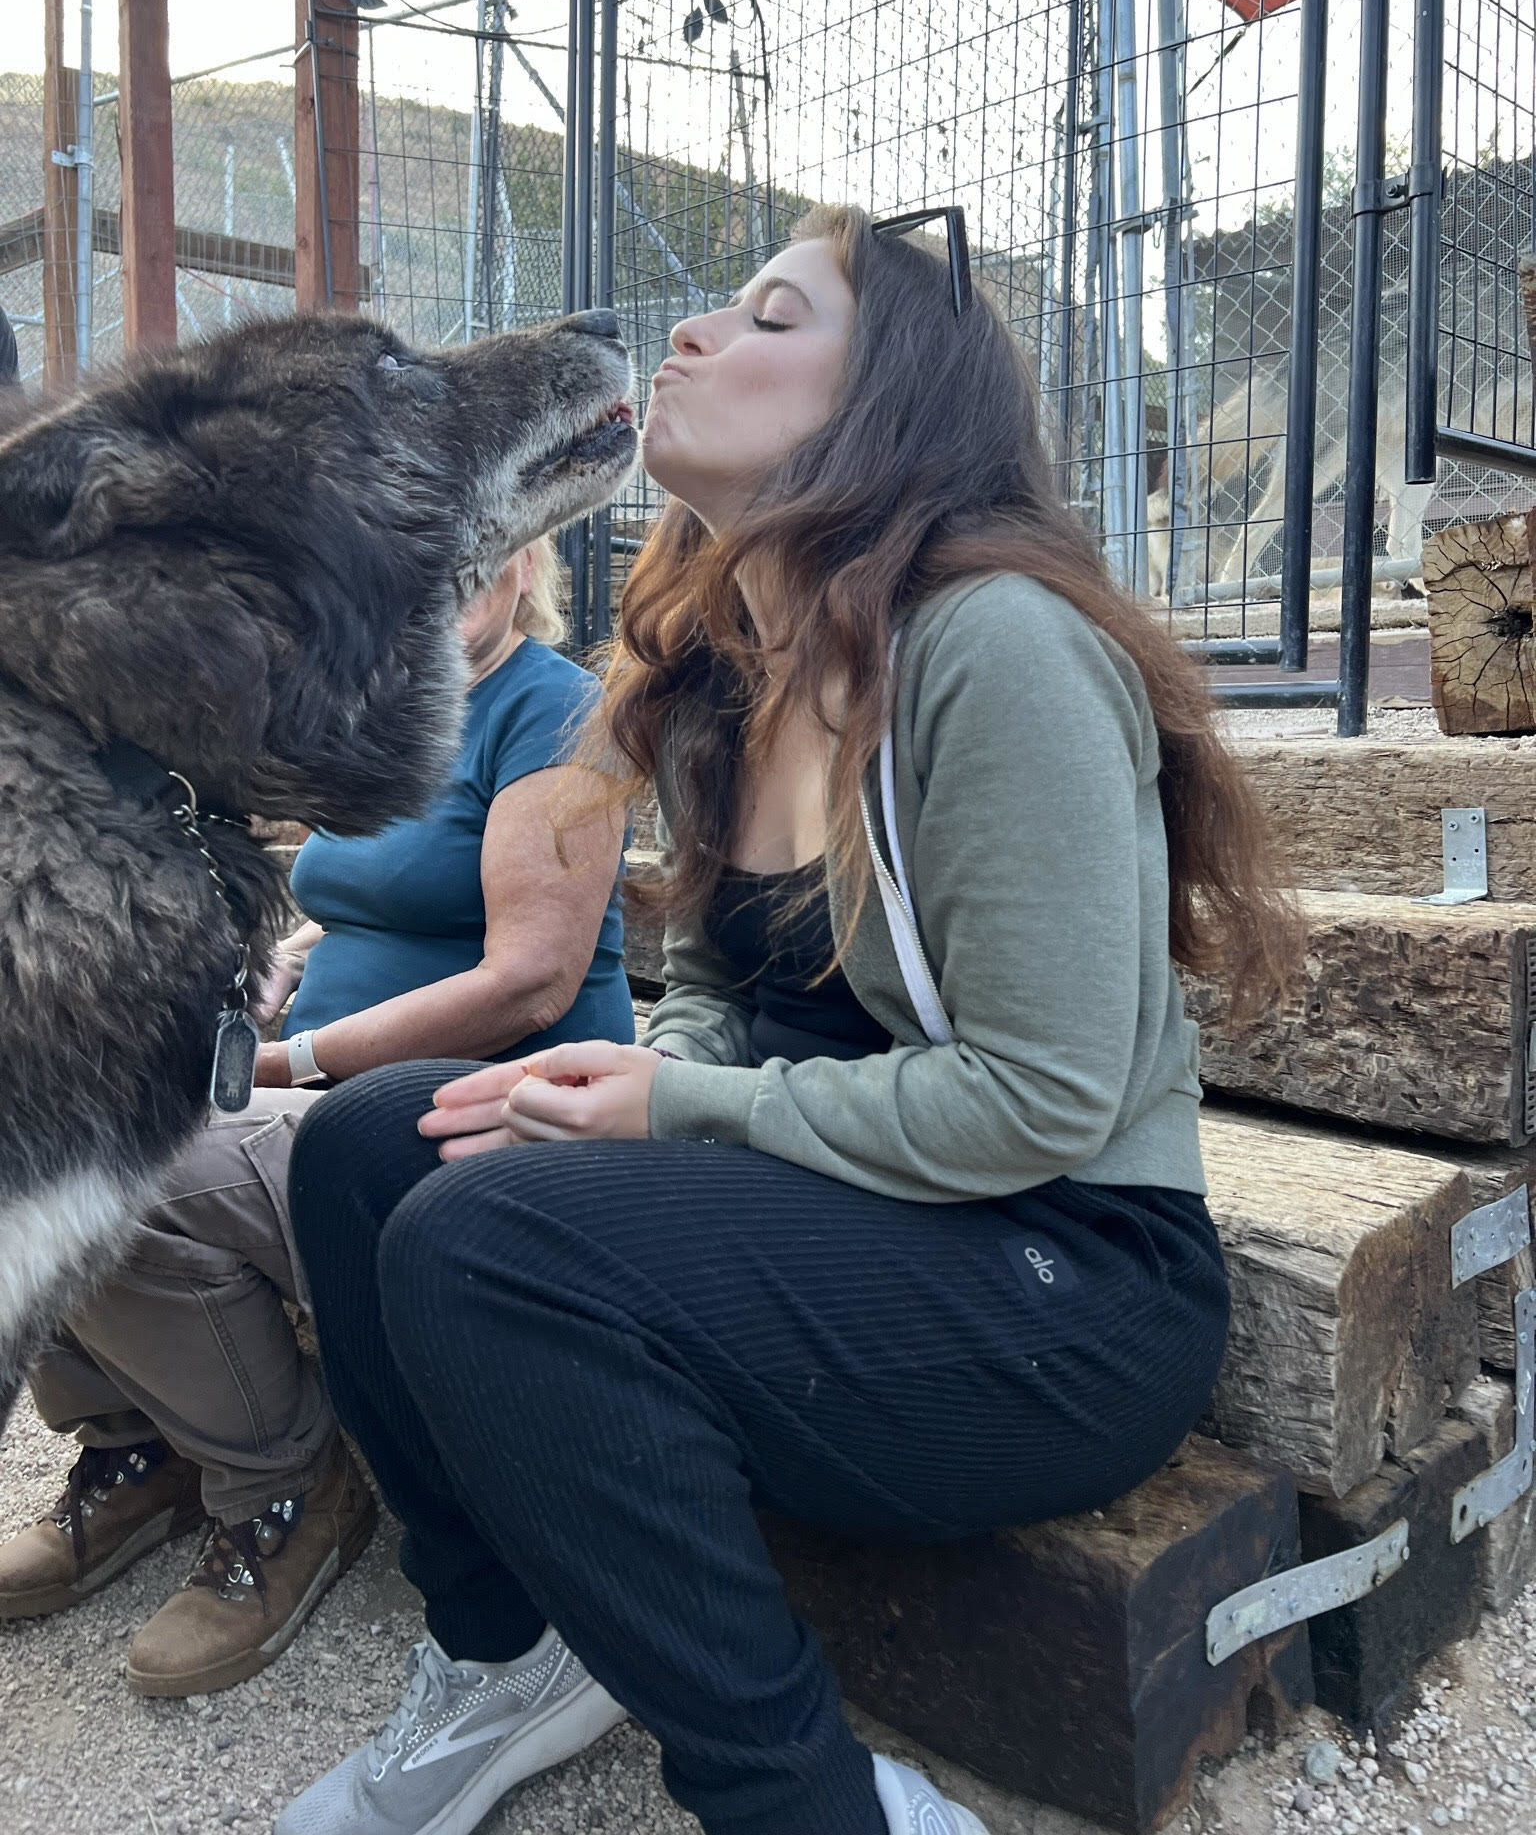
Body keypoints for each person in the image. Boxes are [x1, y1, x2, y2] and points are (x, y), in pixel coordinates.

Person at [276, 206, 1298, 1835]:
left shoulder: (996, 646)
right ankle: (510, 1652)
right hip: (852, 1216)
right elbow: (731, 1011)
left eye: (766, 318)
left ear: (887, 404)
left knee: (491, 1238)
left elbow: (1039, 1101)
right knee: (362, 1149)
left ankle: (811, 1803)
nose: (690, 338)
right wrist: (645, 1074)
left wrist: (678, 1112)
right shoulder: (731, 683)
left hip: (1064, 1281)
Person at [0, 536, 631, 1702]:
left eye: (478, 551)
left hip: (456, 1120)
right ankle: (129, 1442)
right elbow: (359, 897)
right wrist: (291, 956)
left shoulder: (558, 707)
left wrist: (291, 1056)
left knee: (121, 1179)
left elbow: (528, 978)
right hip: (314, 1090)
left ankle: (285, 1487)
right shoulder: (398, 712)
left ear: (530, 556)